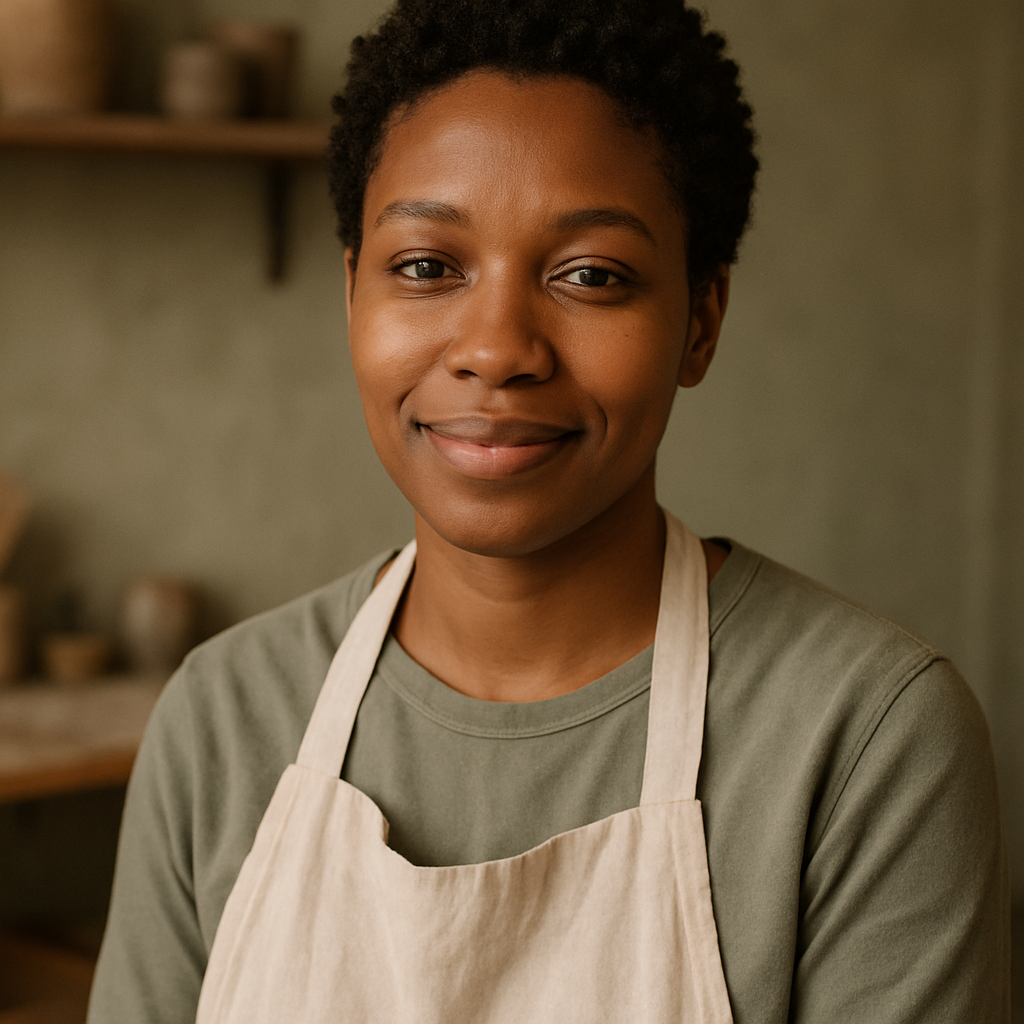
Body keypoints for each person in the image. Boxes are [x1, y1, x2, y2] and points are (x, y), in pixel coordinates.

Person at [87, 0, 1011, 1019]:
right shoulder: (222, 717)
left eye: (590, 275)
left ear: (699, 322)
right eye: (427, 267)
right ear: (352, 293)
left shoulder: (865, 738)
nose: (496, 347)